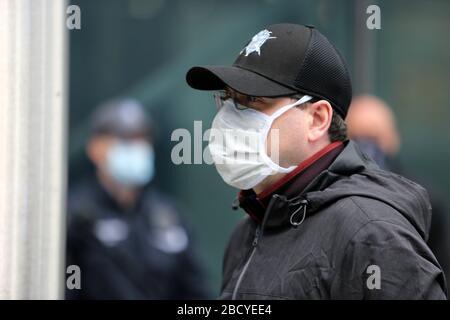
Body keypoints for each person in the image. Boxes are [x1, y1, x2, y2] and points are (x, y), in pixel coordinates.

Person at [185, 23, 447, 299]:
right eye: (229, 98)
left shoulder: (371, 233)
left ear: (317, 119)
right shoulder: (250, 227)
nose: (230, 116)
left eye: (252, 99)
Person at [66, 98, 210, 299]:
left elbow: (196, 291)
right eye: (125, 139)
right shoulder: (74, 215)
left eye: (142, 139)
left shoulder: (170, 216)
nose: (137, 147)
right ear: (95, 148)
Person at [347, 94, 450, 290]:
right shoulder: (327, 197)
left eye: (374, 138)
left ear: (393, 139)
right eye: (357, 137)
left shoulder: (424, 200)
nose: (366, 147)